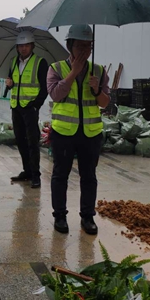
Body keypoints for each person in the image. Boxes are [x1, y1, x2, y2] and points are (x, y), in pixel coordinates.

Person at [47, 24, 110, 235]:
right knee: (60, 176)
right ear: (69, 46)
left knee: (89, 176)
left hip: (90, 134)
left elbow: (104, 103)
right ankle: (60, 216)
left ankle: (87, 217)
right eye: (80, 46)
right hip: (64, 132)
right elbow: (55, 95)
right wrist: (73, 73)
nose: (85, 50)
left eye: (89, 46)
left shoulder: (99, 71)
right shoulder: (56, 68)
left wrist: (97, 89)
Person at [6, 31, 48, 189]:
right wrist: (9, 85)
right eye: (20, 46)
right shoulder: (13, 62)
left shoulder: (40, 62)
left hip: (30, 108)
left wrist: (36, 105)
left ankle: (36, 175)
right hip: (16, 107)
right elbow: (13, 83)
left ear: (32, 46)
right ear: (17, 47)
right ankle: (27, 171)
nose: (23, 49)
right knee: (20, 140)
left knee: (32, 142)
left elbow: (45, 88)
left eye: (26, 45)